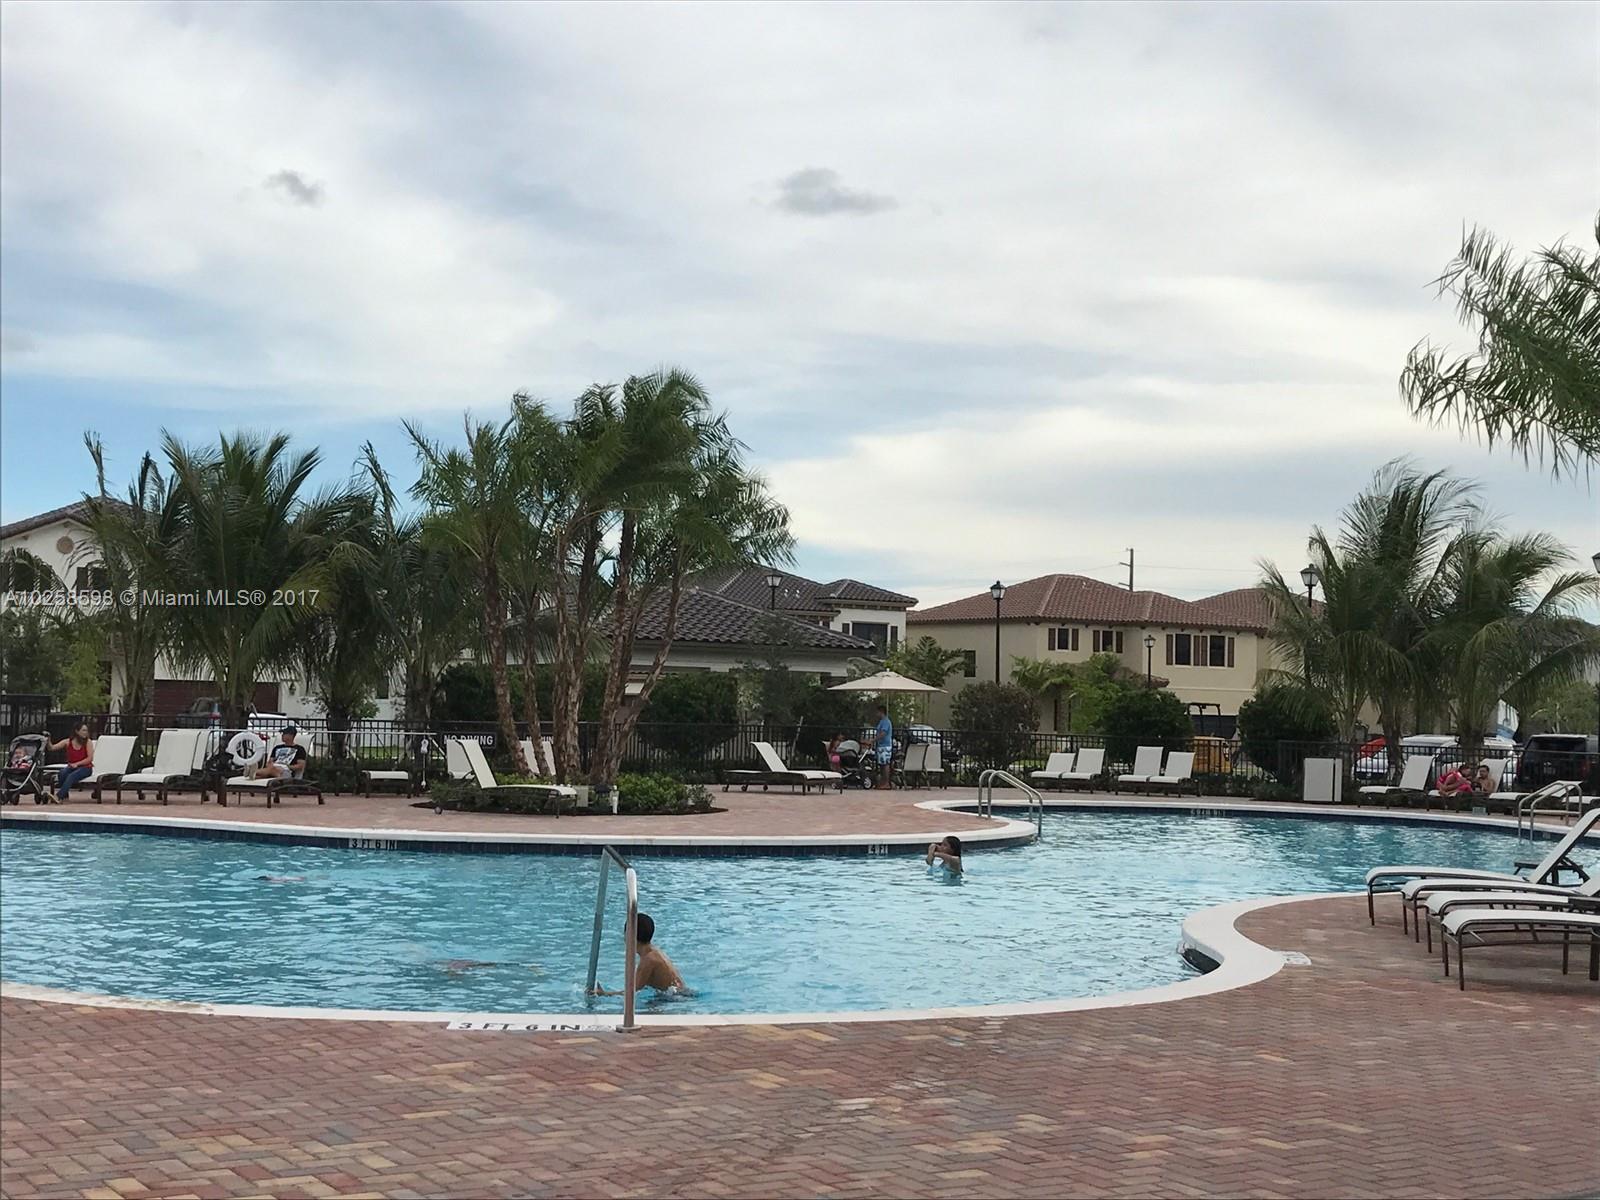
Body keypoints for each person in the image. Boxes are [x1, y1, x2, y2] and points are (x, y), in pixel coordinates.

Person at [588, 912, 688, 996]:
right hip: (678, 995)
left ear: (629, 935)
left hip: (676, 999)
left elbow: (631, 993)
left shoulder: (648, 960)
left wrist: (605, 994)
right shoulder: (655, 952)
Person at [48, 722, 94, 802]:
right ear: (77, 731)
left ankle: (59, 796)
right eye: (83, 730)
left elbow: (90, 758)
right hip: (72, 767)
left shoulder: (88, 742)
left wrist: (77, 764)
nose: (85, 733)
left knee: (71, 776)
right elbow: (52, 748)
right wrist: (48, 740)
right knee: (62, 773)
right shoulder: (68, 742)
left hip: (86, 768)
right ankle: (65, 795)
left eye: (86, 730)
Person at [868, 704, 894, 790]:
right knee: (882, 764)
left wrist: (874, 740)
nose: (876, 714)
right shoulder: (881, 722)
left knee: (885, 764)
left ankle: (886, 783)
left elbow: (883, 733)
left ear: (881, 712)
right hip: (881, 746)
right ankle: (883, 782)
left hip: (885, 746)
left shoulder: (886, 722)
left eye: (877, 712)